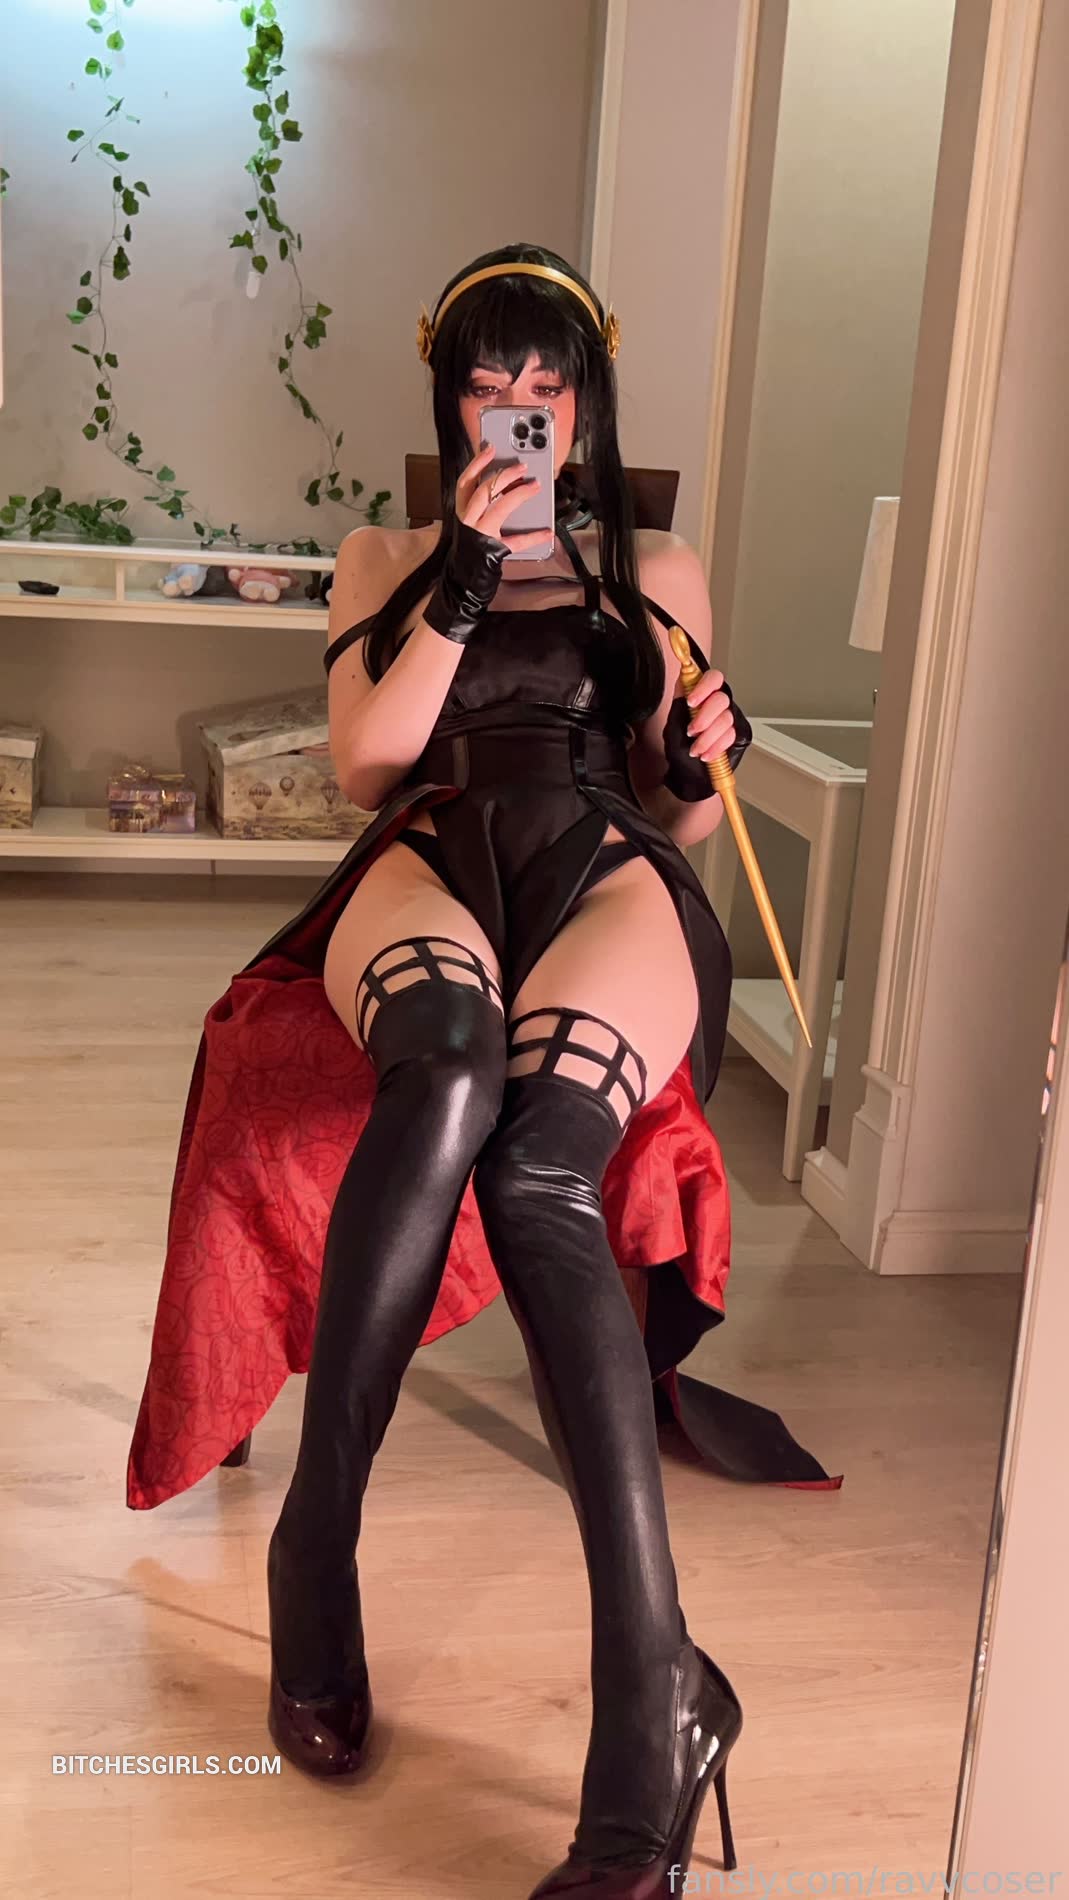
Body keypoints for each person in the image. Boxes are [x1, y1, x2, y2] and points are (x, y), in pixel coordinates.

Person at [126, 242, 840, 1893]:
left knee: (536, 1166)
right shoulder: (384, 552)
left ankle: (654, 1693)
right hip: (432, 843)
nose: (518, 412)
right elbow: (367, 758)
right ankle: (318, 1544)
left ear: (586, 400)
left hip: (599, 858)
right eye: (486, 384)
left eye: (547, 385)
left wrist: (700, 754)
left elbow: (675, 813)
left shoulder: (654, 564)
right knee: (444, 1072)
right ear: (447, 398)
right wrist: (461, 566)